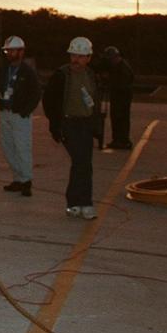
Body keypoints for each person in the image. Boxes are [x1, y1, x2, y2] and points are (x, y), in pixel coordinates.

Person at [43, 37, 100, 219]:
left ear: (88, 58)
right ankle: (82, 202)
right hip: (69, 124)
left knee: (83, 164)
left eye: (81, 56)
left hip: (86, 123)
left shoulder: (91, 75)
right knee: (81, 162)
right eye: (74, 55)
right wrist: (55, 126)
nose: (76, 60)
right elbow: (49, 100)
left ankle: (77, 203)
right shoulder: (61, 75)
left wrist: (97, 126)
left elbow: (95, 101)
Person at [0, 35, 41, 197]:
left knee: (22, 148)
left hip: (20, 116)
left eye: (12, 51)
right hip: (5, 113)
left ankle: (26, 181)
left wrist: (25, 112)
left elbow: (36, 93)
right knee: (8, 147)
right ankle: (17, 178)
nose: (9, 54)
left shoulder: (28, 72)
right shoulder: (4, 70)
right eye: (7, 51)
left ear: (21, 52)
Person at [100, 46, 135, 150]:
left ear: (114, 57)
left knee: (121, 118)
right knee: (115, 118)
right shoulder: (117, 66)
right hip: (118, 96)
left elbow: (122, 84)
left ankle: (123, 140)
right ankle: (117, 140)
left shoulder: (123, 68)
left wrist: (109, 80)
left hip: (122, 97)